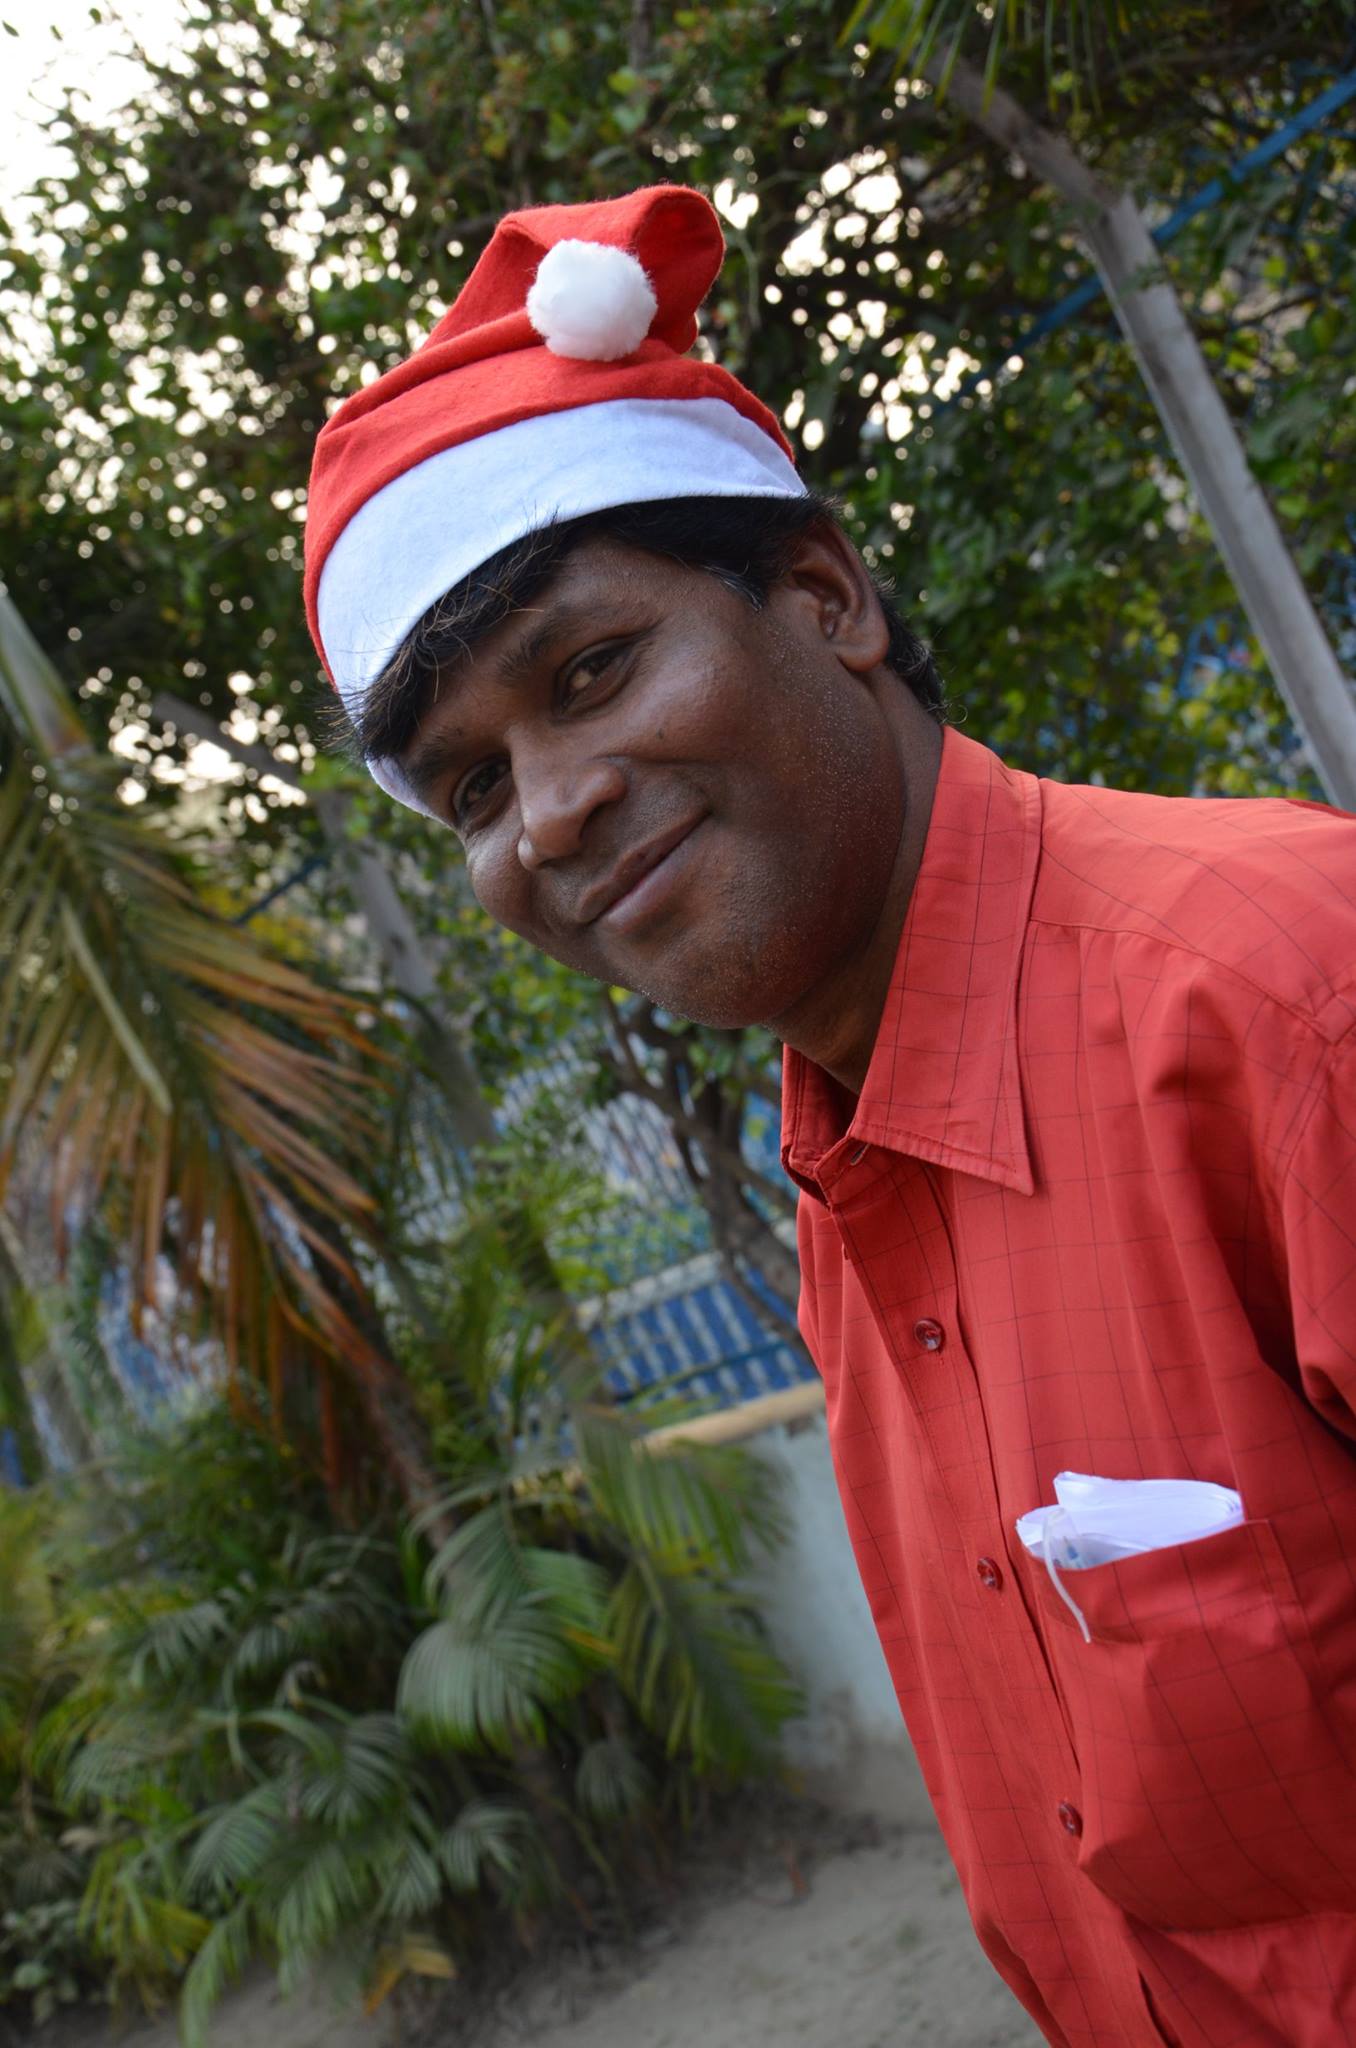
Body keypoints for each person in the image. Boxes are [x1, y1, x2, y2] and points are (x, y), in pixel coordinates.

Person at [305, 185, 1356, 2048]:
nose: (547, 812)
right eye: (472, 786)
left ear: (827, 598)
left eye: (591, 670)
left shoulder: (1284, 1000)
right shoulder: (844, 1177)